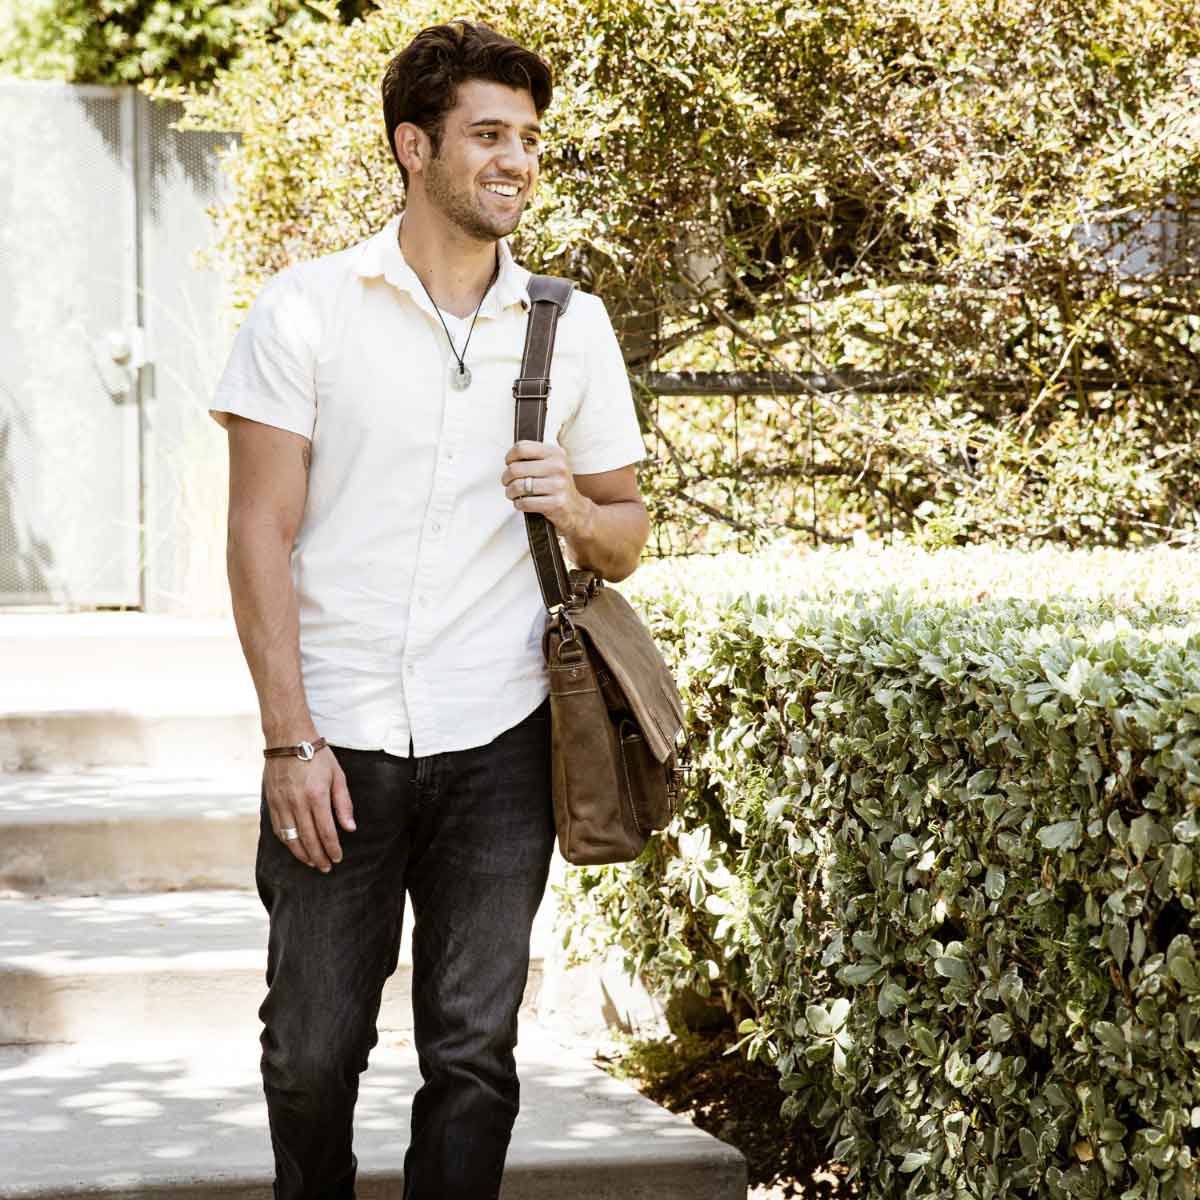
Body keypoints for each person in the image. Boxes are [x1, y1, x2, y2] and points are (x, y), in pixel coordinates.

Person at [208, 18, 650, 1200]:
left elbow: (628, 532)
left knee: (474, 1056)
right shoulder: (307, 309)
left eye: (531, 140)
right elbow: (259, 533)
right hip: (337, 739)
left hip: (500, 742)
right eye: (488, 135)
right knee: (310, 1055)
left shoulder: (572, 326)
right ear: (415, 145)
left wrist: (571, 507)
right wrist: (287, 738)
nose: (516, 161)